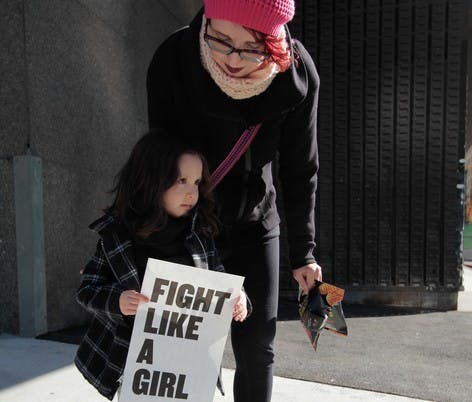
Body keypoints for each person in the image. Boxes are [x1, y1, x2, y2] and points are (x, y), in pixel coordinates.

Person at [147, 1, 322, 401]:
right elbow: (159, 163)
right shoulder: (174, 59)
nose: (232, 59)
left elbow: (300, 170)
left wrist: (304, 254)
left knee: (257, 347)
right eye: (222, 39)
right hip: (188, 224)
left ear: (275, 39)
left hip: (255, 221)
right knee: (181, 353)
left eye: (251, 47)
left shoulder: (296, 75)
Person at [74, 130, 249, 401]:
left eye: (197, 182)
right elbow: (87, 289)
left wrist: (238, 297)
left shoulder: (199, 234)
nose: (192, 192)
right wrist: (118, 301)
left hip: (188, 361)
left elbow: (218, 277)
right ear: (152, 181)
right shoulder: (118, 237)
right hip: (137, 363)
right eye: (181, 180)